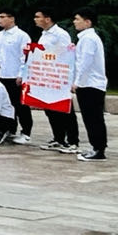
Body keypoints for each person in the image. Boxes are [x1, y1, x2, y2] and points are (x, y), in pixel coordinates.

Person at [33, 9, 80, 152]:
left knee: (65, 110)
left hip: (59, 76)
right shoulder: (44, 34)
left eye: (38, 17)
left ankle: (73, 141)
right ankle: (58, 138)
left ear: (47, 19)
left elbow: (67, 54)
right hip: (47, 76)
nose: (35, 19)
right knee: (50, 109)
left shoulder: (60, 34)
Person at [0, 10, 33, 145]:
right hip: (2, 74)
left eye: (2, 17)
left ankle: (26, 132)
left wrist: (21, 74)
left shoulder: (21, 36)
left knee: (20, 105)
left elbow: (25, 57)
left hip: (15, 75)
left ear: (12, 18)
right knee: (7, 105)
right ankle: (10, 128)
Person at [73, 8, 109, 162]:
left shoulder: (88, 39)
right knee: (90, 118)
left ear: (87, 22)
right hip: (88, 84)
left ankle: (99, 150)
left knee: (94, 118)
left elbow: (85, 63)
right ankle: (96, 148)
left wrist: (77, 82)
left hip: (90, 84)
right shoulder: (86, 38)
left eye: (77, 19)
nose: (74, 22)